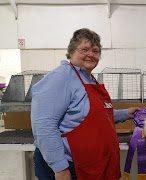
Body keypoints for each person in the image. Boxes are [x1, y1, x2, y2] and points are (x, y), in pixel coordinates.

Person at [31, 28, 140, 180]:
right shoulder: (61, 77)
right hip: (70, 167)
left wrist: (125, 113)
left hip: (92, 165)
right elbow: (43, 125)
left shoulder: (89, 79)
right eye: (84, 49)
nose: (91, 54)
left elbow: (94, 116)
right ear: (71, 52)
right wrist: (60, 168)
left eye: (95, 51)